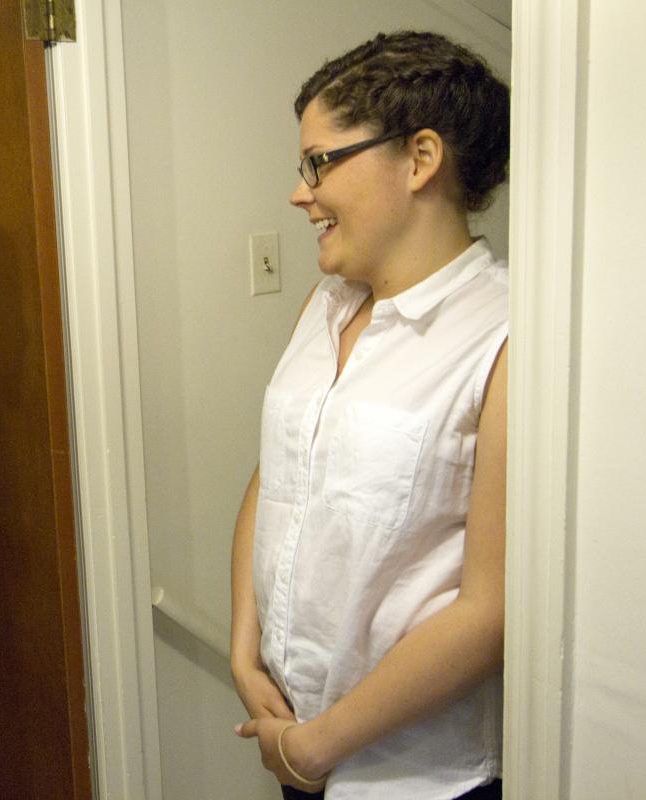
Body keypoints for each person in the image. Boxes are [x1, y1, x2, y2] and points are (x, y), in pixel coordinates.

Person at [231, 31, 509, 799]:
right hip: (295, 746)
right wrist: (244, 652)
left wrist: (314, 747)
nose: (301, 193)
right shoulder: (324, 306)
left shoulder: (506, 335)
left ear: (420, 159)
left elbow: (491, 611)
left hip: (422, 779)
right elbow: (277, 477)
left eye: (320, 163)